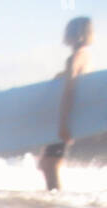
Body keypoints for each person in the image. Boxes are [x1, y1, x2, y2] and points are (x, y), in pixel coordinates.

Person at [38, 16, 93, 191]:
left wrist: (63, 124)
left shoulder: (75, 57)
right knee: (46, 163)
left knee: (50, 164)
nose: (65, 35)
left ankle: (55, 204)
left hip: (67, 117)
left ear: (77, 34)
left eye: (68, 31)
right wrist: (61, 75)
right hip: (73, 117)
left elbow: (70, 91)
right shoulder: (85, 55)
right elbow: (77, 81)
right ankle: (55, 202)